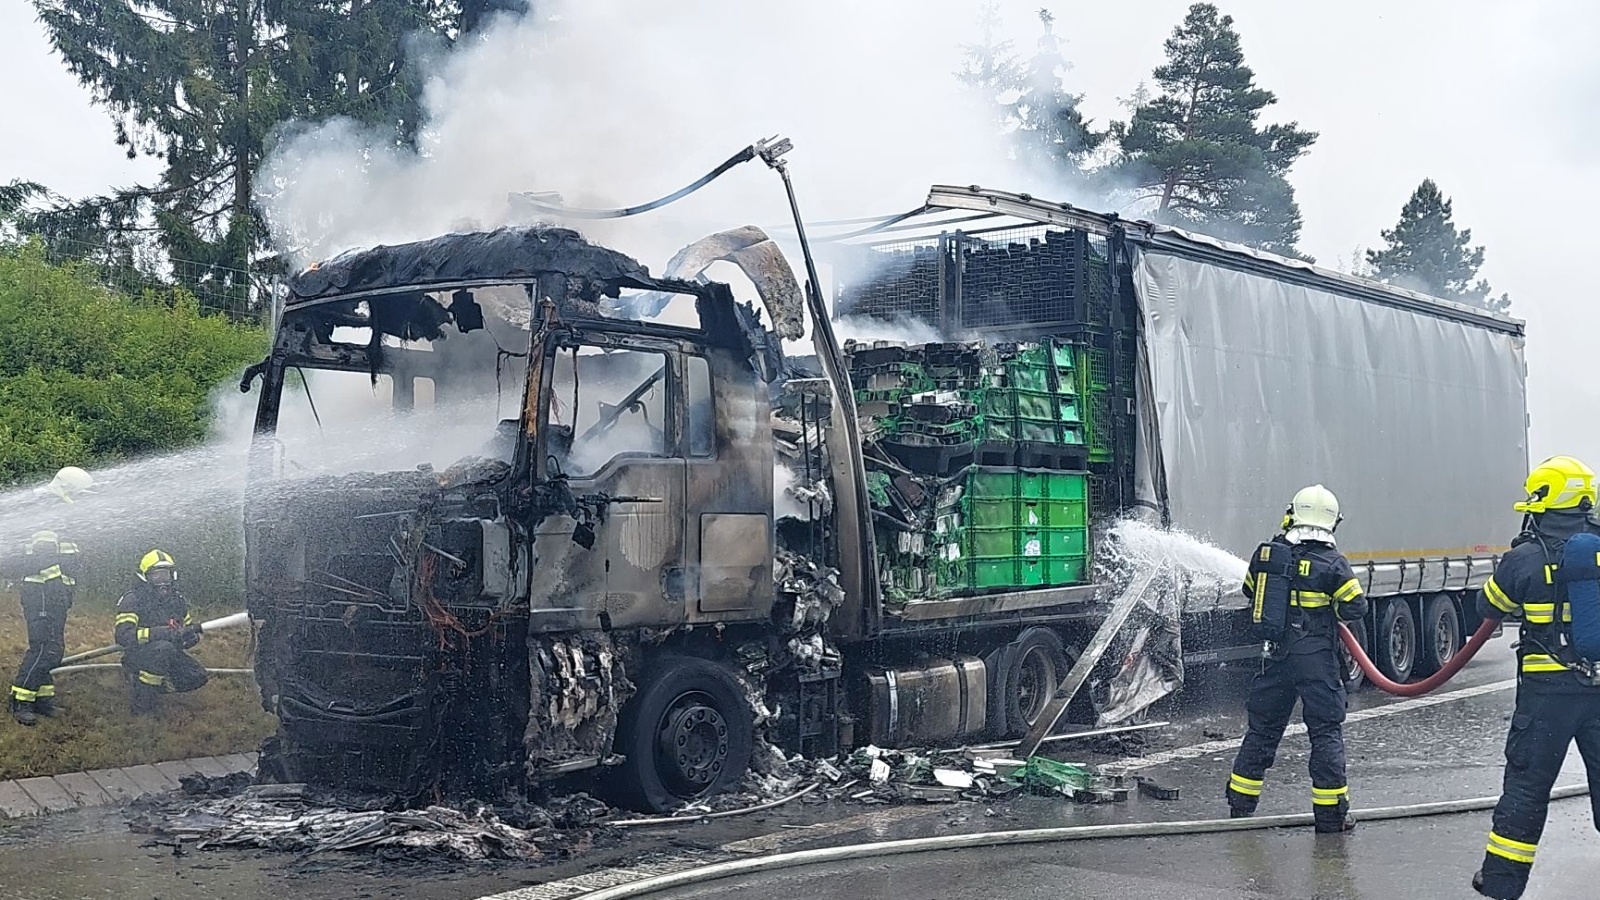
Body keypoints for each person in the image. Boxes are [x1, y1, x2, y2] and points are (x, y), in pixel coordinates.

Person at [1472, 456, 1600, 900]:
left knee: (1527, 789)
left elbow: (1488, 608)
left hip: (1548, 698)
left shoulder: (1525, 557)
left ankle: (1503, 885)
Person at [1225, 484, 1369, 833]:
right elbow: (1356, 606)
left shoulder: (1266, 555)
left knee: (1263, 730)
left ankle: (1241, 805)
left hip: (1276, 657)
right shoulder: (1332, 564)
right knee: (1324, 733)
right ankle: (1331, 817)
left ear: (1293, 515)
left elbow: (1249, 590)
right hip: (1316, 660)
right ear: (1331, 523)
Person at [5, 465, 93, 726]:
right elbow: (44, 556)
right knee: (46, 647)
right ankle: (20, 699)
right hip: (42, 591)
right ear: (68, 488)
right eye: (81, 492)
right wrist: (58, 587)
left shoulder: (60, 509)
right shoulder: (49, 507)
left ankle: (42, 698)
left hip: (51, 592)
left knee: (52, 647)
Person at [114, 550, 208, 715]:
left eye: (166, 575)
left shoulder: (177, 601)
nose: (163, 582)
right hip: (138, 654)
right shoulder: (134, 599)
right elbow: (123, 636)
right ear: (145, 577)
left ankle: (154, 686)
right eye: (157, 576)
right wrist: (160, 633)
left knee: (197, 676)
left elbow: (186, 628)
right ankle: (141, 706)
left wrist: (190, 638)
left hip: (169, 653)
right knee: (162, 649)